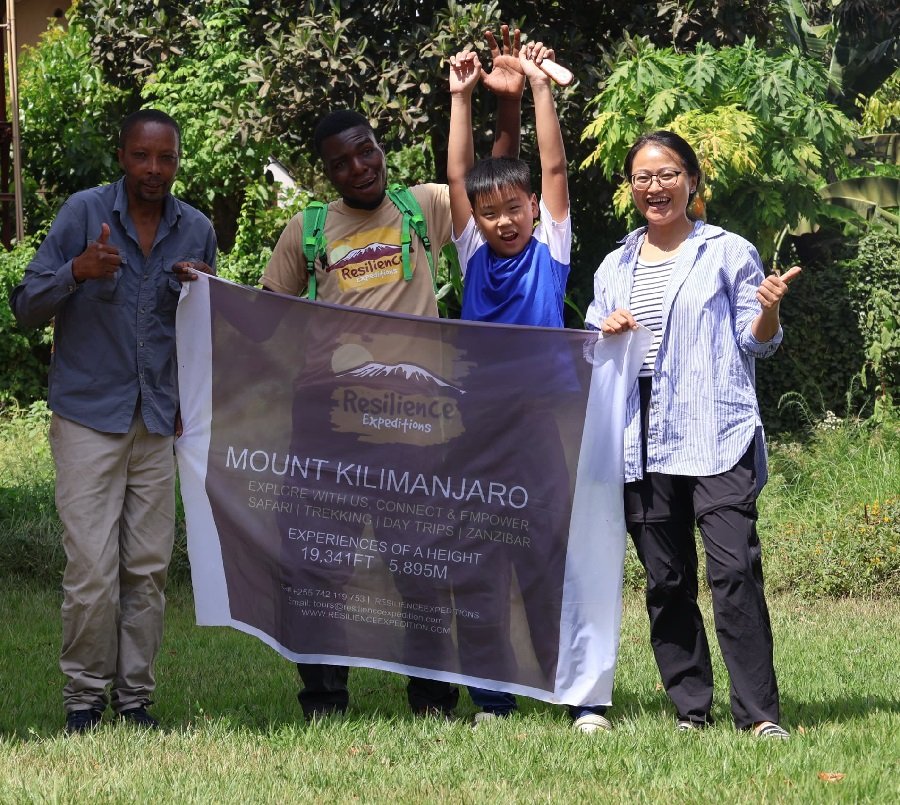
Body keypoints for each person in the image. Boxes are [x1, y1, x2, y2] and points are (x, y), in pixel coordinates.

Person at [261, 27, 527, 721]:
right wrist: (205, 292)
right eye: (342, 163)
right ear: (327, 174)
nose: (359, 168)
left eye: (367, 151)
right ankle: (323, 700)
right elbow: (262, 316)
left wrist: (503, 105)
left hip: (417, 417)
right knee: (322, 563)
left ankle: (433, 699)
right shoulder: (307, 231)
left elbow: (498, 184)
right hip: (328, 422)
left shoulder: (424, 206)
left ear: (381, 148)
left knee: (420, 564)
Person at [585, 130, 800, 739]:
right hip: (639, 431)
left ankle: (758, 716)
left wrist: (770, 307)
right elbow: (592, 348)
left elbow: (757, 342)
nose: (656, 187)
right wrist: (608, 328)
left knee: (733, 570)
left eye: (668, 174)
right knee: (667, 579)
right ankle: (690, 710)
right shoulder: (615, 264)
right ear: (631, 189)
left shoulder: (729, 253)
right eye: (643, 178)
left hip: (713, 424)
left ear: (692, 181)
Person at [10, 109, 217, 734]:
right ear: (122, 155)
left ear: (177, 161)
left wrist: (205, 291)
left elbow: (207, 333)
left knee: (148, 569)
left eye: (165, 158)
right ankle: (83, 700)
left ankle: (134, 700)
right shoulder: (83, 214)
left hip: (159, 419)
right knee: (92, 570)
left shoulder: (196, 229)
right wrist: (77, 271)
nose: (153, 170)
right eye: (141, 156)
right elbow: (24, 306)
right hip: (88, 417)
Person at [447, 38, 610, 734]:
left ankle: (572, 691)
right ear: (476, 220)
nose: (505, 219)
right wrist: (460, 98)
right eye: (492, 211)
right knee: (481, 561)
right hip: (479, 427)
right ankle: (492, 700)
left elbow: (553, 164)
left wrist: (541, 87)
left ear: (532, 211)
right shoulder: (473, 254)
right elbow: (458, 172)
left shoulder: (552, 251)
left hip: (547, 427)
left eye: (516, 206)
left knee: (551, 558)